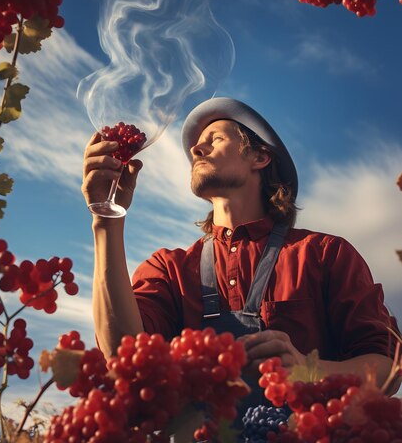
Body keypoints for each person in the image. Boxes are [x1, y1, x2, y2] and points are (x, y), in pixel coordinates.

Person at [82, 97, 396, 394]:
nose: (196, 149)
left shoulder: (325, 254)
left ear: (260, 157)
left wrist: (306, 370)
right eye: (197, 144)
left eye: (214, 138)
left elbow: (387, 369)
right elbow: (123, 353)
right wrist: (106, 218)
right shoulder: (168, 268)